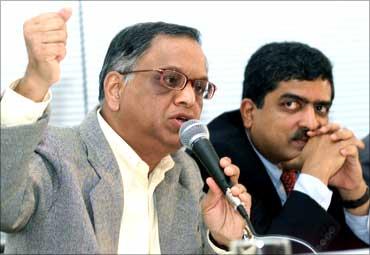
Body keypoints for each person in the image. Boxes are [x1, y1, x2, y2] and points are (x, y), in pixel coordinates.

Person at [0, 8, 252, 254]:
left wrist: (222, 242)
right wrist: (34, 81)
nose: (189, 97)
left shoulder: (185, 173)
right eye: (171, 79)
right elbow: (5, 207)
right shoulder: (55, 155)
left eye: (199, 87)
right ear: (115, 89)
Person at [194, 42, 370, 252]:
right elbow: (270, 249)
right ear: (249, 112)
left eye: (320, 108)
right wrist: (315, 175)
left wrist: (354, 192)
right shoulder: (218, 160)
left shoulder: (320, 149)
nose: (311, 123)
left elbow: (341, 248)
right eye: (291, 104)